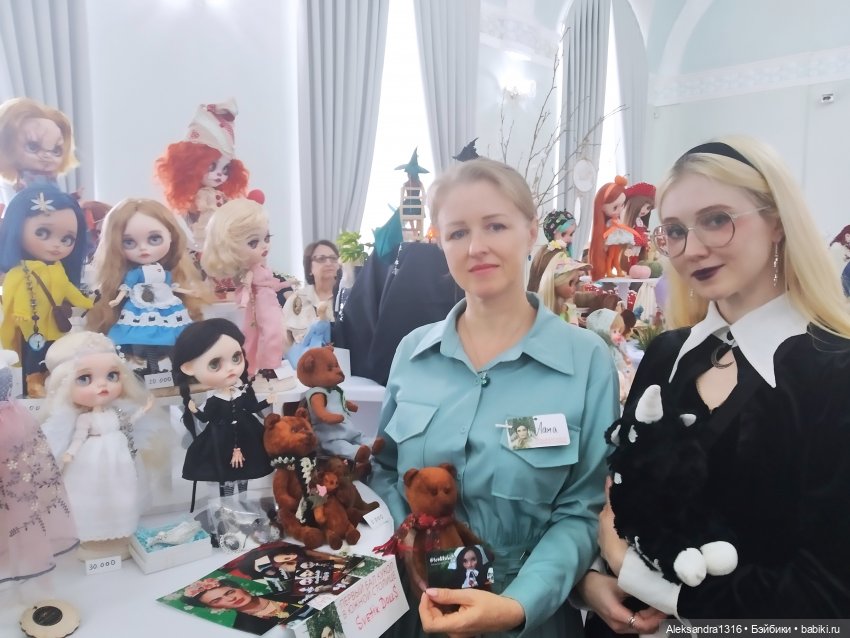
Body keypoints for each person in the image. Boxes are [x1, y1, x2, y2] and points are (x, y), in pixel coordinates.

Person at [577, 136, 850, 634]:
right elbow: (626, 494)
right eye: (675, 231)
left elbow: (827, 597)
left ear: (777, 222)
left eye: (717, 220)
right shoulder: (667, 354)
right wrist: (593, 581)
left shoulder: (833, 374)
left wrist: (637, 575)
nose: (692, 249)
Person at [370, 158, 618, 637]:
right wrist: (412, 541)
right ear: (440, 243)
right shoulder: (413, 353)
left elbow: (581, 510)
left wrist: (517, 605)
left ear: (531, 231)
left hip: (527, 613)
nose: (476, 247)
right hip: (415, 609)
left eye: (496, 226)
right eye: (457, 232)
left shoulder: (586, 360)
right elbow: (384, 470)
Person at [282, 240, 340, 365]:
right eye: (321, 259)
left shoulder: (347, 298)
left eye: (333, 258)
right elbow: (285, 339)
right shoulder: (298, 299)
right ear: (309, 268)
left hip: (342, 368)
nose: (329, 263)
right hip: (304, 368)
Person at [181, 577, 307, 634]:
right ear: (214, 607)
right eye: (217, 600)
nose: (231, 598)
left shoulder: (283, 590)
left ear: (239, 587)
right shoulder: (244, 627)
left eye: (230, 592)